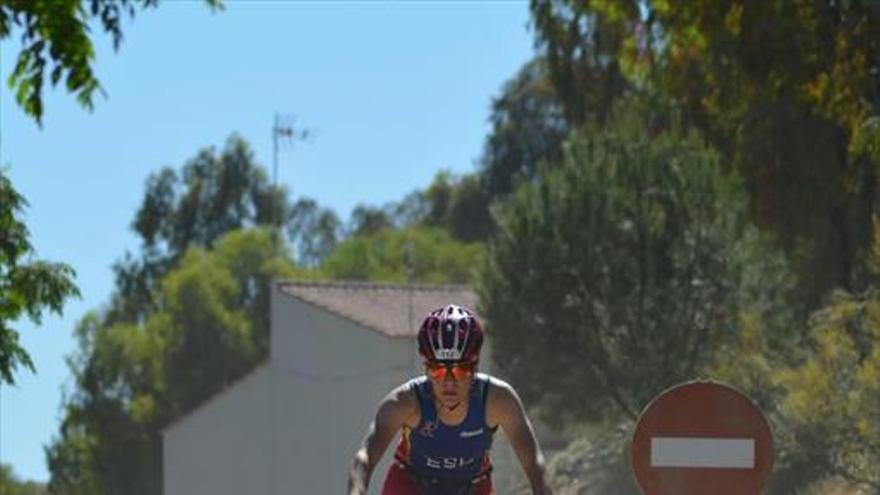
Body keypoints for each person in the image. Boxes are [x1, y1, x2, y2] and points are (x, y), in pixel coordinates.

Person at [348, 304, 552, 495]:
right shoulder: (404, 402)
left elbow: (533, 463)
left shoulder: (498, 399)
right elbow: (364, 458)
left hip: (472, 487)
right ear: (426, 369)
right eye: (437, 370)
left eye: (460, 369)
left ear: (475, 367)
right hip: (411, 486)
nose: (449, 381)